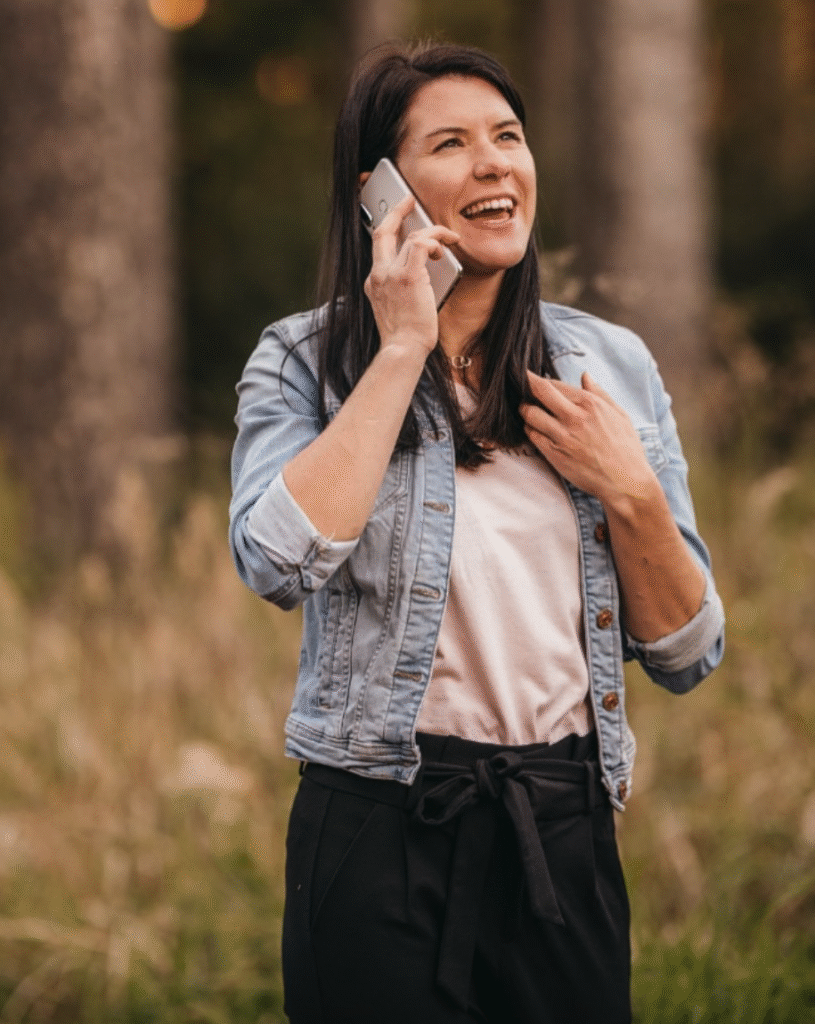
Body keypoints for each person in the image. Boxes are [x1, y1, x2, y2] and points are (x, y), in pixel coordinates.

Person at [229, 41, 724, 1024]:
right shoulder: (303, 360)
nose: (495, 162)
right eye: (450, 143)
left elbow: (687, 649)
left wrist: (629, 493)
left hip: (563, 822)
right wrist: (403, 343)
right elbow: (276, 559)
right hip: (378, 821)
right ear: (380, 193)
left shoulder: (607, 362)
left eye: (507, 136)